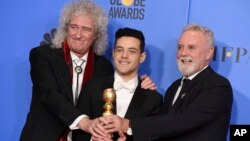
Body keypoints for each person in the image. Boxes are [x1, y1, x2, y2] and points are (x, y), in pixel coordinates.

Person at [20, 0, 156, 141]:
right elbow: (50, 95)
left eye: (86, 29)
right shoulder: (42, 56)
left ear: (96, 34)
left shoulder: (103, 66)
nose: (78, 35)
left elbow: (119, 85)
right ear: (66, 28)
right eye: (74, 27)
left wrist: (141, 84)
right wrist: (85, 122)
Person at [93, 24, 233, 141]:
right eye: (180, 47)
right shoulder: (174, 88)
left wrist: (128, 125)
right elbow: (161, 130)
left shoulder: (218, 86)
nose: (184, 53)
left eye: (191, 48)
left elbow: (182, 121)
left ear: (209, 53)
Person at [73, 27, 163, 141]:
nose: (124, 55)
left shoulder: (154, 100)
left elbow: (154, 137)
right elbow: (78, 131)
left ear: (142, 57)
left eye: (132, 51)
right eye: (120, 50)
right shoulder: (92, 87)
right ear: (113, 53)